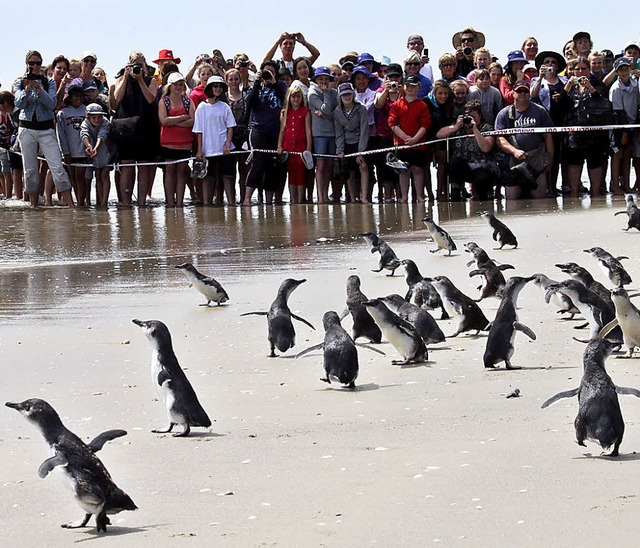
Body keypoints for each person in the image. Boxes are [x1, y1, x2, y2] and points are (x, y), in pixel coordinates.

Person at [13, 50, 74, 208]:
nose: (35, 66)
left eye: (38, 63)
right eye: (31, 63)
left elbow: (52, 104)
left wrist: (39, 89)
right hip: (26, 128)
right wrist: (27, 88)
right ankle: (33, 204)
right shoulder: (19, 82)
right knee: (30, 169)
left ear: (41, 64)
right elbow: (19, 104)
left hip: (46, 129)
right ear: (27, 64)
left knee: (57, 166)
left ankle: (71, 204)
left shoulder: (49, 82)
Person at [110, 51, 159, 207]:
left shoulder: (151, 80)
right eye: (135, 64)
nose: (138, 67)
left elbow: (151, 99)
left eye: (141, 64)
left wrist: (140, 80)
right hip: (126, 129)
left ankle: (142, 202)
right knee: (127, 166)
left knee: (144, 167)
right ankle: (126, 203)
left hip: (145, 127)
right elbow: (117, 98)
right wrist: (126, 76)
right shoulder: (121, 79)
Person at [495, 80, 554, 199]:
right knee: (512, 201)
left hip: (537, 161)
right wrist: (514, 151)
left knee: (540, 201)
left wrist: (550, 161)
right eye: (519, 91)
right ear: (513, 93)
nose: (523, 94)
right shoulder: (504, 113)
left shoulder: (540, 111)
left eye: (525, 91)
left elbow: (548, 137)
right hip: (514, 162)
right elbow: (499, 138)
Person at [558, 56, 608, 198]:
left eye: (583, 68)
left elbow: (601, 101)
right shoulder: (569, 86)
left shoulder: (597, 84)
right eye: (577, 69)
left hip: (594, 132)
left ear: (588, 69)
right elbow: (561, 106)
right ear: (572, 71)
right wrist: (567, 87)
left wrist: (590, 87)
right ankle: (574, 194)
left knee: (596, 163)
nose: (580, 71)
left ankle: (596, 194)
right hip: (574, 133)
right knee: (574, 164)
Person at [243, 61, 287, 205]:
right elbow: (249, 103)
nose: (268, 74)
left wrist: (273, 83)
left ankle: (269, 200)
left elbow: (286, 99)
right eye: (265, 72)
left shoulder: (281, 86)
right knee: (258, 164)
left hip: (276, 131)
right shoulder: (255, 87)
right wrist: (256, 83)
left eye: (271, 72)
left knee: (272, 166)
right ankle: (247, 199)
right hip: (259, 131)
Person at [436, 99, 497, 201]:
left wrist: (475, 130)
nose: (471, 120)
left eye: (474, 117)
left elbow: (486, 148)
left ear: (480, 116)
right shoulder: (461, 128)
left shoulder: (487, 128)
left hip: (482, 166)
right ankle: (456, 191)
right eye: (469, 117)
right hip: (464, 166)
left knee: (482, 178)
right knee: (453, 163)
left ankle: (482, 196)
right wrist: (455, 127)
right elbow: (439, 135)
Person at [193, 75, 236, 206]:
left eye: (220, 86)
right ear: (210, 88)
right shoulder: (201, 107)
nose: (217, 89)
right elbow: (198, 130)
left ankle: (231, 203)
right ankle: (207, 205)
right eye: (215, 86)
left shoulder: (225, 107)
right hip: (208, 149)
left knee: (228, 177)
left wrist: (228, 145)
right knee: (208, 178)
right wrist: (200, 150)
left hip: (224, 149)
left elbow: (230, 127)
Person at [388, 74, 431, 202]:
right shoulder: (397, 104)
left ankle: (419, 196)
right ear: (404, 87)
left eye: (413, 86)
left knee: (418, 170)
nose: (410, 88)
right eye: (408, 86)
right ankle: (404, 196)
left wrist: (415, 140)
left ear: (418, 87)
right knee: (403, 170)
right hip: (402, 144)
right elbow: (392, 123)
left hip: (419, 144)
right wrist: (405, 137)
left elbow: (425, 125)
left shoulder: (422, 105)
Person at [530, 50, 567, 195]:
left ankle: (553, 186)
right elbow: (533, 95)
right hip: (543, 122)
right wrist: (540, 77)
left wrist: (562, 95)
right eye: (547, 62)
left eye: (553, 62)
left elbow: (569, 99)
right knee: (544, 156)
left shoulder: (564, 80)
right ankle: (544, 186)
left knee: (556, 157)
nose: (550, 65)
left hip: (561, 122)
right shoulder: (536, 80)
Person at [158, 72, 195, 207]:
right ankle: (170, 202)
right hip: (168, 143)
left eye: (181, 84)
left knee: (182, 172)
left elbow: (193, 121)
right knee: (170, 170)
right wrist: (182, 118)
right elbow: (163, 120)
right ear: (170, 86)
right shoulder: (164, 101)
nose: (178, 87)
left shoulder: (187, 100)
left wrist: (173, 122)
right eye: (175, 84)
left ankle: (179, 202)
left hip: (185, 143)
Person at [333, 82, 369, 203]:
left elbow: (365, 130)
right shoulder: (337, 112)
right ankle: (353, 199)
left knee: (363, 166)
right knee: (350, 172)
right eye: (344, 95)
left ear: (353, 94)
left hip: (360, 141)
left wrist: (361, 151)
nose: (347, 97)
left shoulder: (361, 108)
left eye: (349, 94)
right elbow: (339, 133)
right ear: (340, 96)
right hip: (346, 143)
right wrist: (340, 150)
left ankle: (364, 197)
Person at [609, 57, 640, 194]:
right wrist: (625, 132)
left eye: (626, 69)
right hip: (619, 126)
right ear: (616, 72)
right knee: (617, 155)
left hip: (633, 123)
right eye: (621, 70)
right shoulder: (615, 88)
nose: (624, 72)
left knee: (627, 155)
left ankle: (626, 185)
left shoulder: (635, 84)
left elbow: (638, 105)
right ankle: (615, 185)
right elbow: (618, 112)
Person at [277, 83, 311, 204]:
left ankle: (300, 200)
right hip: (288, 147)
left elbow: (308, 131)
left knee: (301, 173)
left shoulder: (305, 112)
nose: (296, 99)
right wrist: (279, 146)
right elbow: (282, 130)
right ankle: (293, 199)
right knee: (291, 173)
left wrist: (308, 149)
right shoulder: (285, 112)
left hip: (301, 147)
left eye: (298, 97)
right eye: (293, 97)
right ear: (289, 98)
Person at [373, 63, 403, 202]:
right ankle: (388, 198)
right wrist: (386, 90)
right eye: (390, 76)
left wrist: (402, 92)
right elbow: (378, 104)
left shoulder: (405, 90)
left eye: (396, 76)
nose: (393, 80)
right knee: (385, 170)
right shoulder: (381, 90)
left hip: (402, 137)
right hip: (384, 136)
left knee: (400, 169)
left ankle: (401, 198)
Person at [308, 66, 338, 203]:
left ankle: (326, 194)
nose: (324, 81)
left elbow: (336, 113)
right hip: (319, 134)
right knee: (320, 165)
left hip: (333, 133)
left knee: (329, 165)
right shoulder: (312, 93)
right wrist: (325, 93)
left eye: (326, 79)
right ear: (316, 80)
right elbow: (326, 109)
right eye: (321, 79)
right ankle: (320, 197)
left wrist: (327, 115)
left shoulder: (334, 92)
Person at [57, 80, 88, 205]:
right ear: (70, 98)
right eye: (76, 96)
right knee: (73, 177)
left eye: (80, 96)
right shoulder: (62, 113)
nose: (78, 99)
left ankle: (81, 203)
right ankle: (77, 202)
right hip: (69, 151)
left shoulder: (87, 111)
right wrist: (65, 152)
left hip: (83, 150)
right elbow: (60, 134)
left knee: (81, 177)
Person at [424, 79, 454, 200]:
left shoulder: (449, 104)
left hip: (442, 136)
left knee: (442, 159)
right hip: (426, 136)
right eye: (440, 93)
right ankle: (429, 193)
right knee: (425, 164)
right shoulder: (425, 102)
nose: (443, 96)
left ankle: (440, 190)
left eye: (445, 93)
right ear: (434, 92)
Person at [226, 68, 250, 202]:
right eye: (231, 79)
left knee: (244, 169)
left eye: (236, 79)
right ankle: (230, 200)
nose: (234, 81)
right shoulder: (223, 97)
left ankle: (244, 199)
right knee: (229, 172)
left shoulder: (246, 96)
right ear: (227, 81)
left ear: (240, 80)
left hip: (244, 135)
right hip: (228, 136)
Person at [80, 103, 111, 208]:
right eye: (93, 117)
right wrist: (89, 146)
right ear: (88, 117)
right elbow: (84, 134)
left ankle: (104, 203)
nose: (97, 120)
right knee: (97, 176)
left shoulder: (105, 122)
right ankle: (96, 202)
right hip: (93, 152)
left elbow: (102, 135)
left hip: (106, 151)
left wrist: (95, 148)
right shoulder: (85, 123)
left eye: (99, 117)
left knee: (105, 175)